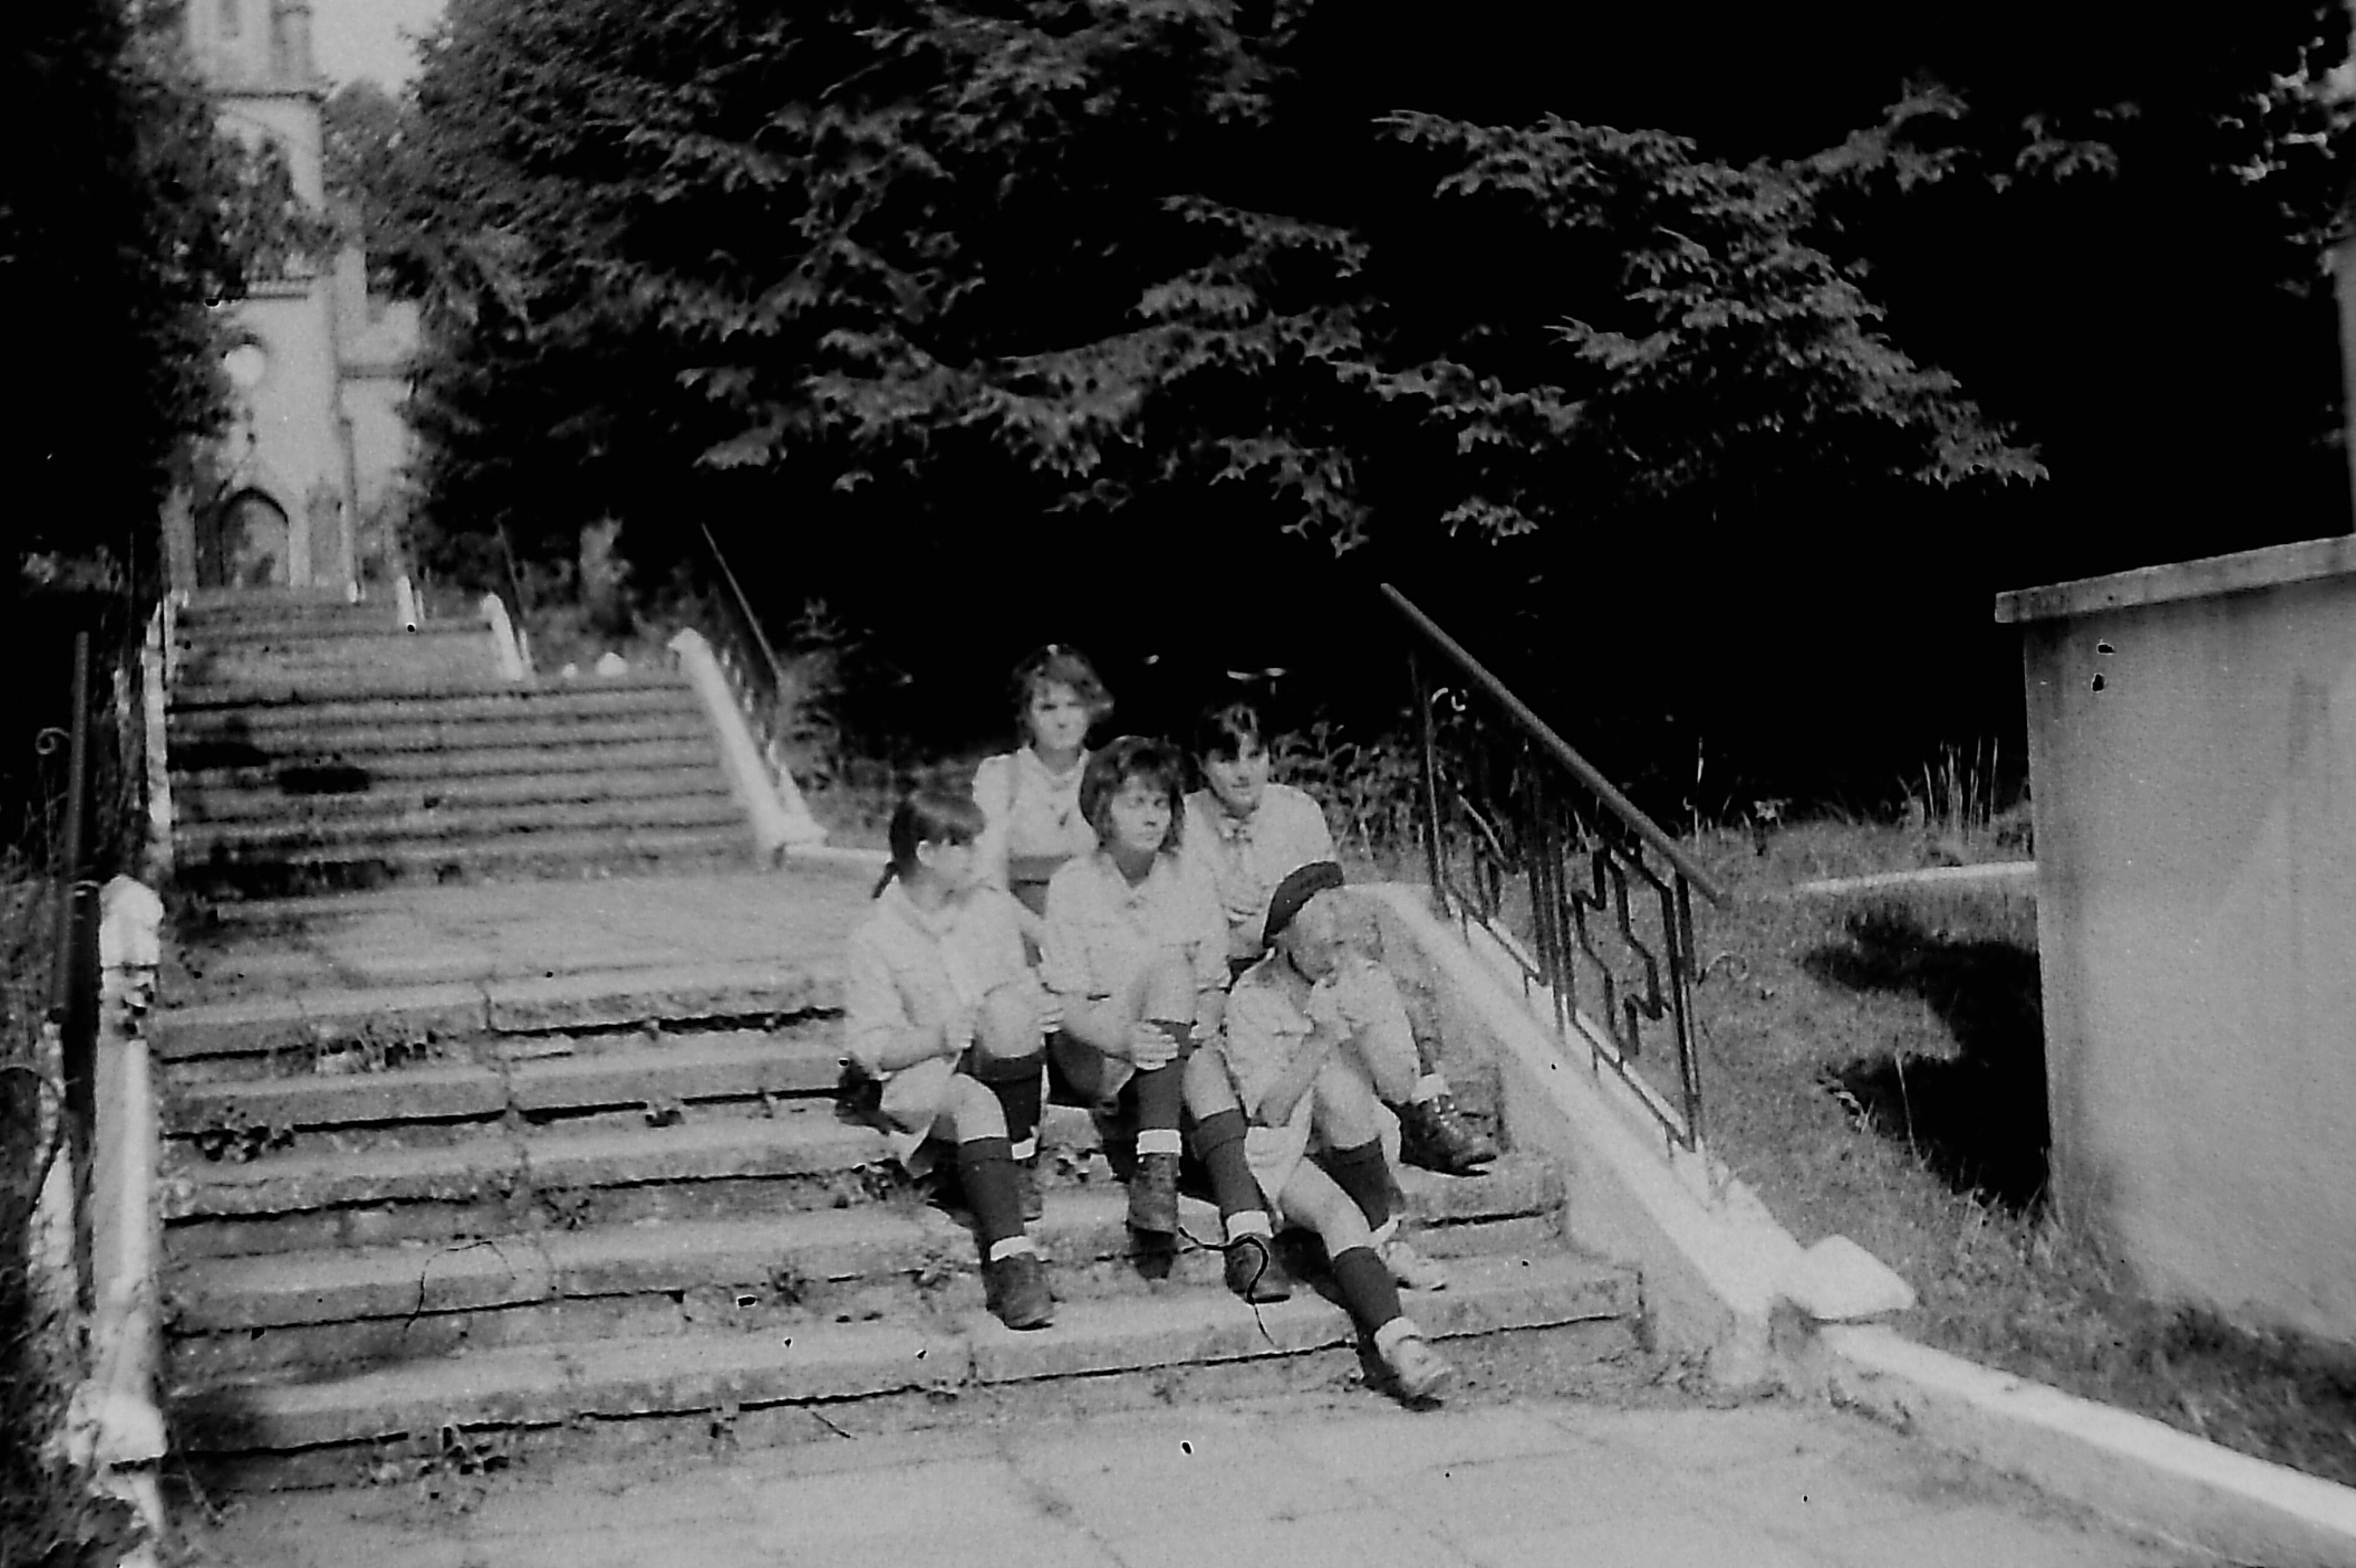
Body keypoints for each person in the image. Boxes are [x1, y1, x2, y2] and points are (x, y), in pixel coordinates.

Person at [1183, 700, 1497, 1174]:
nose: (1244, 773)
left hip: (1300, 958)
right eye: (1227, 760)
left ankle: (1430, 1102)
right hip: (1230, 970)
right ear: (1202, 764)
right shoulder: (1187, 822)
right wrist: (1216, 899)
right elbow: (1179, 917)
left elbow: (1329, 900)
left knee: (1373, 950)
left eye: (1255, 756)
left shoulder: (1296, 811)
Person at [1039, 736, 1291, 1302]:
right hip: (1099, 1051)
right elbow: (1067, 1009)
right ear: (1102, 809)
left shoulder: (1191, 877)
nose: (1152, 817)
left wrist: (1198, 1025)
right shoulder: (1074, 884)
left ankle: (1248, 1236)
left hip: (1171, 1052)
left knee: (1201, 1061)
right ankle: (1161, 1161)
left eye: (1160, 804)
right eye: (1136, 803)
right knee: (1172, 971)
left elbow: (1214, 988)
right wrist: (1126, 1039)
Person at [1220, 860, 1457, 1399]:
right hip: (1286, 1151)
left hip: (1358, 1141)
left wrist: (1364, 1028)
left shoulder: (1364, 978)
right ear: (1283, 938)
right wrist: (1322, 1037)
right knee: (1337, 1214)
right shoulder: (1253, 997)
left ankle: (1386, 1263)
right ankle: (1402, 1341)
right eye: (1319, 919)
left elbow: (1401, 1088)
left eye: (1338, 912)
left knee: (1342, 1090)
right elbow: (1271, 1112)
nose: (1337, 933)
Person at [842, 789, 1058, 1330]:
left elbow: (1017, 983)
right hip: (929, 1077)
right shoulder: (876, 936)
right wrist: (935, 1038)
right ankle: (1012, 1261)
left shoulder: (987, 909)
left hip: (996, 1061)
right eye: (962, 845)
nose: (976, 856)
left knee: (1011, 1008)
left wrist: (1035, 1006)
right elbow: (871, 1048)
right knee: (971, 1101)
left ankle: (1016, 1162)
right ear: (926, 853)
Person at [973, 645, 1113, 934]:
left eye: (1074, 706)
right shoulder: (1000, 777)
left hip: (1098, 929)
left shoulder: (1109, 776)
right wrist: (1042, 934)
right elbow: (987, 878)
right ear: (1026, 715)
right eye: (1048, 708)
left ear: (1092, 709)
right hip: (1015, 930)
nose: (1062, 720)